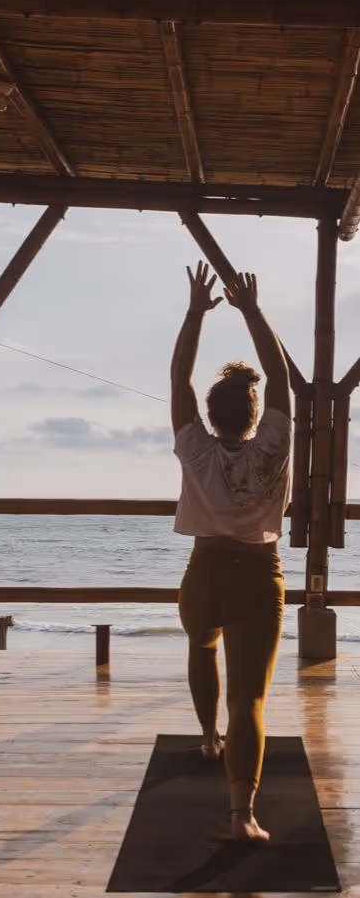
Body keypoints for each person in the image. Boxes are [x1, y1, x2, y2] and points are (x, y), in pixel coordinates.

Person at [171, 262, 291, 842]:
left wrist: (197, 311)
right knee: (250, 700)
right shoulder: (273, 444)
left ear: (210, 414)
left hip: (203, 574)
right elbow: (282, 377)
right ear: (253, 411)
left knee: (200, 645)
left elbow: (177, 380)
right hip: (257, 578)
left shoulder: (194, 446)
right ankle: (243, 816)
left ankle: (208, 738)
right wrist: (251, 309)